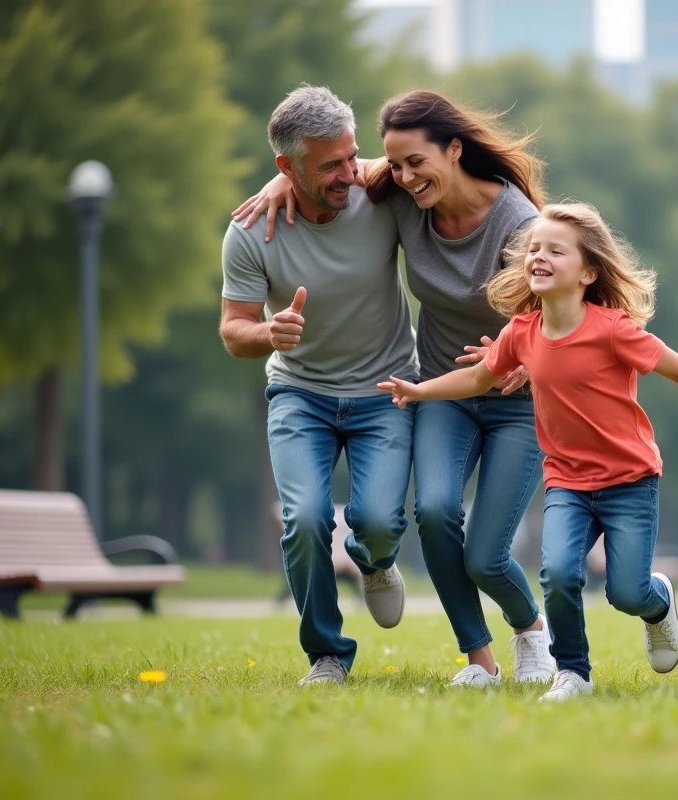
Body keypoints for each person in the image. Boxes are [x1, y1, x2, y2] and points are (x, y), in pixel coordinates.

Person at [234, 90, 554, 688]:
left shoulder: (520, 225)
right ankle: (477, 660)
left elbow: (566, 313)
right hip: (439, 390)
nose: (403, 175)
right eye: (396, 165)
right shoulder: (403, 198)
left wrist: (531, 361)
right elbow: (330, 170)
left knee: (486, 554)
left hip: (516, 399)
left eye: (416, 163)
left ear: (456, 150)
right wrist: (281, 185)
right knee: (433, 512)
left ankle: (531, 632)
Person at [379, 202, 678, 701]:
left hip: (630, 481)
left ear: (588, 272)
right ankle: (572, 672)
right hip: (568, 482)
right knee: (557, 574)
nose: (539, 256)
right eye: (534, 248)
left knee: (626, 592)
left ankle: (657, 601)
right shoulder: (521, 332)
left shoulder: (613, 329)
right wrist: (420, 391)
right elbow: (476, 377)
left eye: (556, 250)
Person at [220, 86, 419, 686]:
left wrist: (342, 171)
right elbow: (233, 331)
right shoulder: (252, 231)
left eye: (351, 156)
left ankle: (374, 560)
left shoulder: (376, 191)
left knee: (379, 520)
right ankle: (327, 656)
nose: (347, 173)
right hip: (300, 393)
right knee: (304, 518)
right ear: (287, 166)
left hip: (384, 388)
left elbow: (425, 164)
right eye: (328, 165)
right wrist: (269, 333)